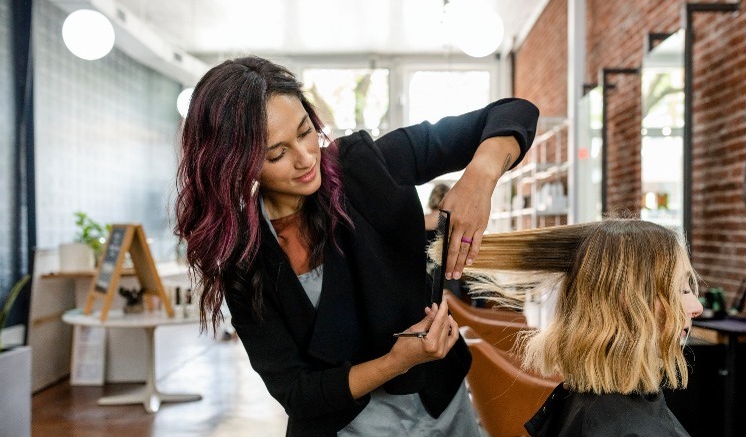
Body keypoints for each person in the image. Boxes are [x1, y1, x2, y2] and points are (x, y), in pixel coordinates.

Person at [174, 56, 539, 436]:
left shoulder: (366, 167)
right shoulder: (245, 260)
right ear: (236, 166)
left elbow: (514, 113)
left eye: (304, 132)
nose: (305, 159)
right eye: (277, 154)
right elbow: (298, 394)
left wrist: (480, 177)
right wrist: (395, 362)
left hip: (441, 409)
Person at [435, 219, 704, 436]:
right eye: (680, 290)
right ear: (628, 301)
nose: (697, 307)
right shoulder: (623, 426)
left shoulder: (594, 410)